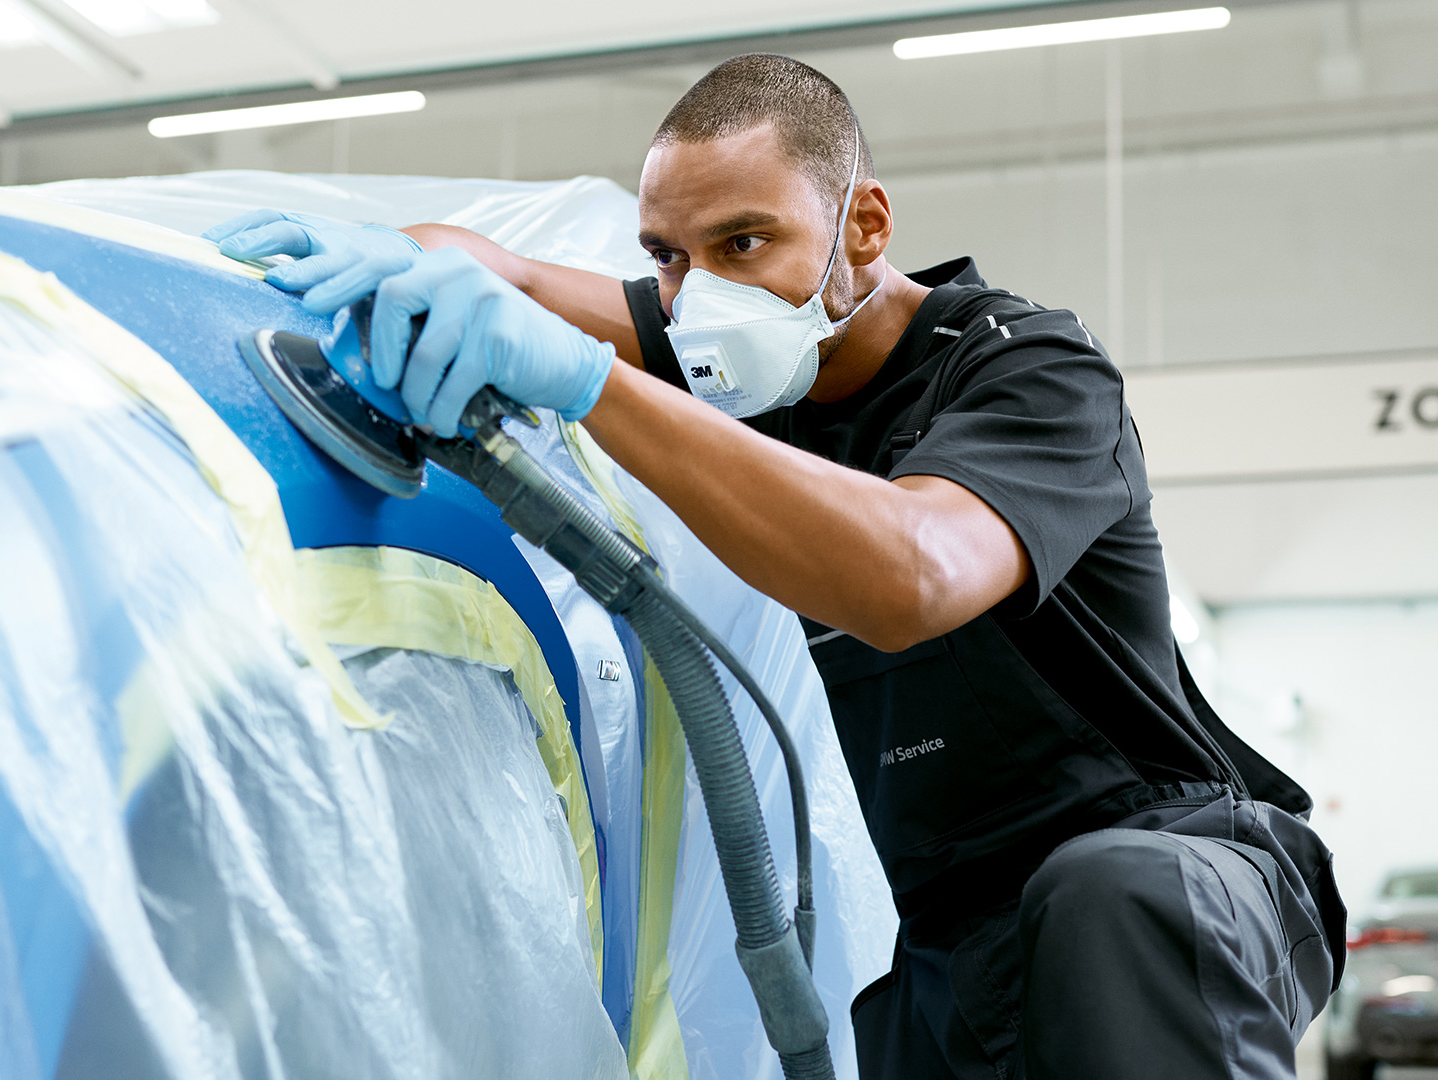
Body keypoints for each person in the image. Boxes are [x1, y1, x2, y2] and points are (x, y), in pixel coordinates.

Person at [204, 54, 1345, 1080]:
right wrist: (389, 271)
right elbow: (506, 273)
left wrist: (590, 381)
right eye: (666, 257)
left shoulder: (1025, 370)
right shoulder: (736, 355)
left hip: (1179, 870)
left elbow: (910, 576)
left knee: (1105, 903)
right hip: (956, 930)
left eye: (745, 243)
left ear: (863, 225)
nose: (702, 300)